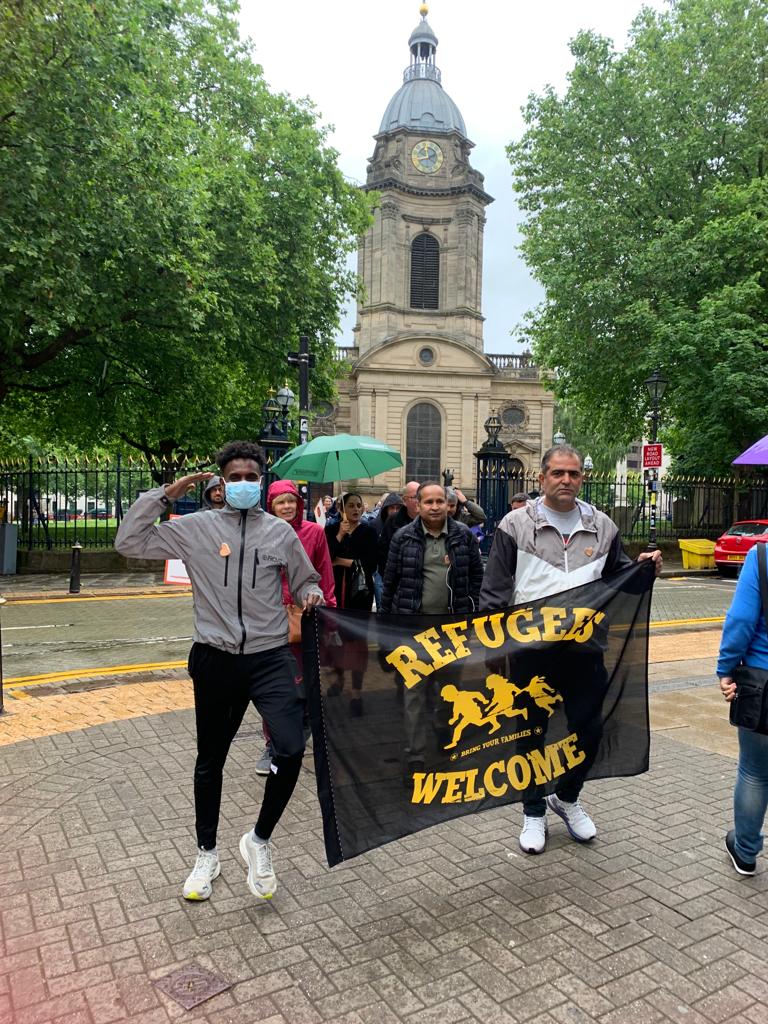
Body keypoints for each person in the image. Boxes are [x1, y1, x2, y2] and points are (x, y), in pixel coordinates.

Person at [114, 440, 325, 902]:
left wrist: (310, 593)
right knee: (211, 760)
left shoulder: (280, 533)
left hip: (269, 658)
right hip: (215, 658)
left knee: (290, 749)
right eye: (236, 477)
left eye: (253, 477)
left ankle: (258, 840)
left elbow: (307, 577)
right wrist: (165, 494)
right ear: (220, 482)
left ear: (263, 481)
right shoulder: (194, 528)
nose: (245, 484)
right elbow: (128, 540)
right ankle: (206, 853)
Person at [480, 443, 662, 855]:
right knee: (530, 734)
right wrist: (494, 651)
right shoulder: (513, 525)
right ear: (542, 478)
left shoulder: (603, 526)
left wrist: (647, 569)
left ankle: (566, 797)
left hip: (585, 649)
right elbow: (493, 592)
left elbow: (623, 580)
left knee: (589, 730)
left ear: (582, 478)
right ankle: (532, 811)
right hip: (530, 650)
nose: (566, 480)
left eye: (573, 474)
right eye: (558, 473)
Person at [381, 481, 484, 772]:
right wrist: (388, 631)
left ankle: (443, 727)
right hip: (414, 633)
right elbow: (389, 584)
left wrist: (471, 609)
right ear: (417, 504)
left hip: (453, 632)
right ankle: (415, 753)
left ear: (447, 504)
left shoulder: (463, 536)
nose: (435, 507)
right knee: (413, 694)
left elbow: (477, 575)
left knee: (450, 690)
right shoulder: (403, 538)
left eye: (440, 501)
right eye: (429, 502)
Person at [254, 479, 337, 774]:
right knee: (272, 686)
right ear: (271, 506)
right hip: (269, 619)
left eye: (291, 501)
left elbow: (324, 572)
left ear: (299, 504)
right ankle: (271, 744)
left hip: (306, 615)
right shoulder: (260, 532)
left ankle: (301, 728)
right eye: (280, 502)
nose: (287, 507)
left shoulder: (314, 532)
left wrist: (330, 608)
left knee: (305, 681)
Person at [718, 542, 768, 875]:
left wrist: (725, 668)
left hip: (762, 684)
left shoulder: (762, 556)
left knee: (754, 771)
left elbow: (741, 620)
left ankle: (746, 851)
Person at [324, 492, 378, 714]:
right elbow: (326, 558)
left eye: (359, 505)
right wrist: (339, 536)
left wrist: (344, 561)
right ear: (341, 509)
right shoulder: (330, 530)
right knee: (336, 641)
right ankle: (338, 680)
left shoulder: (369, 532)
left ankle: (356, 692)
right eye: (351, 506)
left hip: (360, 596)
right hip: (336, 592)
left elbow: (371, 563)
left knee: (357, 645)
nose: (356, 509)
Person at [378, 480, 419, 576]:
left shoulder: (429, 519)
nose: (419, 500)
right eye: (415, 497)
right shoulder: (393, 520)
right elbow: (383, 551)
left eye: (421, 496)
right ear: (404, 500)